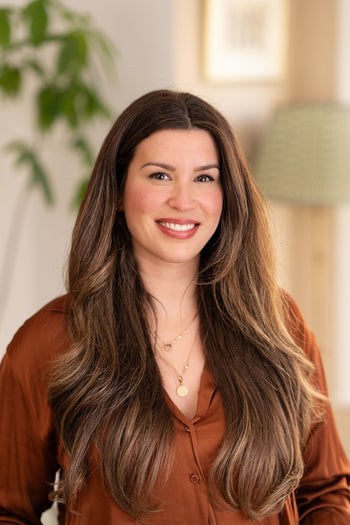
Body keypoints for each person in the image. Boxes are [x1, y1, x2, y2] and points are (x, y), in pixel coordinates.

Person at [0, 89, 349, 525]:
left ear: (227, 194)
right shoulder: (48, 343)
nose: (184, 201)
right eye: (160, 176)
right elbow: (7, 511)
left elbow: (326, 493)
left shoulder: (278, 324)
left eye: (205, 178)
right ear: (116, 191)